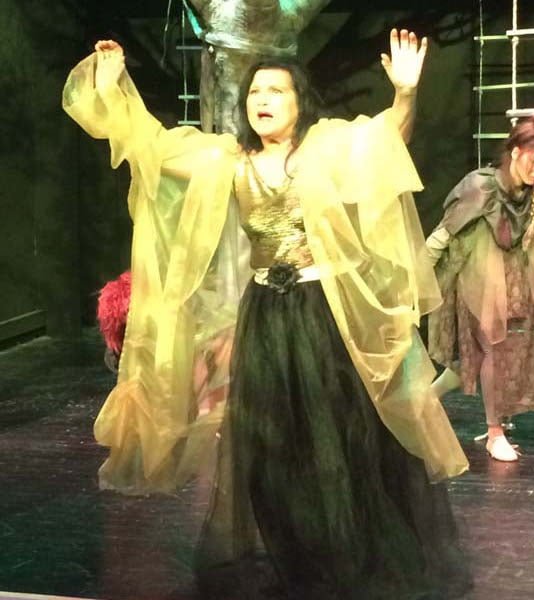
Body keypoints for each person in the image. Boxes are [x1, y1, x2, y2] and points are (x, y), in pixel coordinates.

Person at [63, 29, 471, 598]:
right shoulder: (228, 161)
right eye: (255, 91)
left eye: (276, 90)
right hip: (265, 315)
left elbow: (384, 144)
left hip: (321, 315)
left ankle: (345, 552)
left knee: (335, 437)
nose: (263, 100)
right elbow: (152, 146)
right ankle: (293, 554)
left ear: (300, 101)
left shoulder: (325, 148)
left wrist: (405, 94)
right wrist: (114, 84)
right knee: (270, 444)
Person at [427, 112, 534, 462]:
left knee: (481, 355)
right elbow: (442, 235)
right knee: (493, 348)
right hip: (482, 278)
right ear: (516, 152)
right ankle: (494, 433)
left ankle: (427, 398)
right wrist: (412, 280)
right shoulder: (480, 187)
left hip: (521, 281)